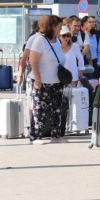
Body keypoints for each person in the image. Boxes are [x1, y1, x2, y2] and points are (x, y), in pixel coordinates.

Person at [27, 15, 68, 145]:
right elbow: (33, 61)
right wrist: (38, 80)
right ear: (52, 26)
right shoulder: (40, 40)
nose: (60, 30)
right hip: (42, 82)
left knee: (57, 109)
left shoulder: (56, 41)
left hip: (57, 82)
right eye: (59, 27)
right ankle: (36, 136)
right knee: (40, 110)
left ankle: (56, 135)